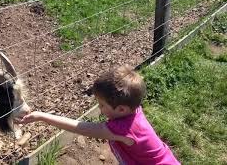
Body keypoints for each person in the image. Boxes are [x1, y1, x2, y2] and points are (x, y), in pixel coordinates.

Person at [19, 65, 180, 165]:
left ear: (122, 109)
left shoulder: (123, 128)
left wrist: (41, 116)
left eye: (102, 105)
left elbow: (79, 127)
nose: (99, 108)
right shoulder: (133, 112)